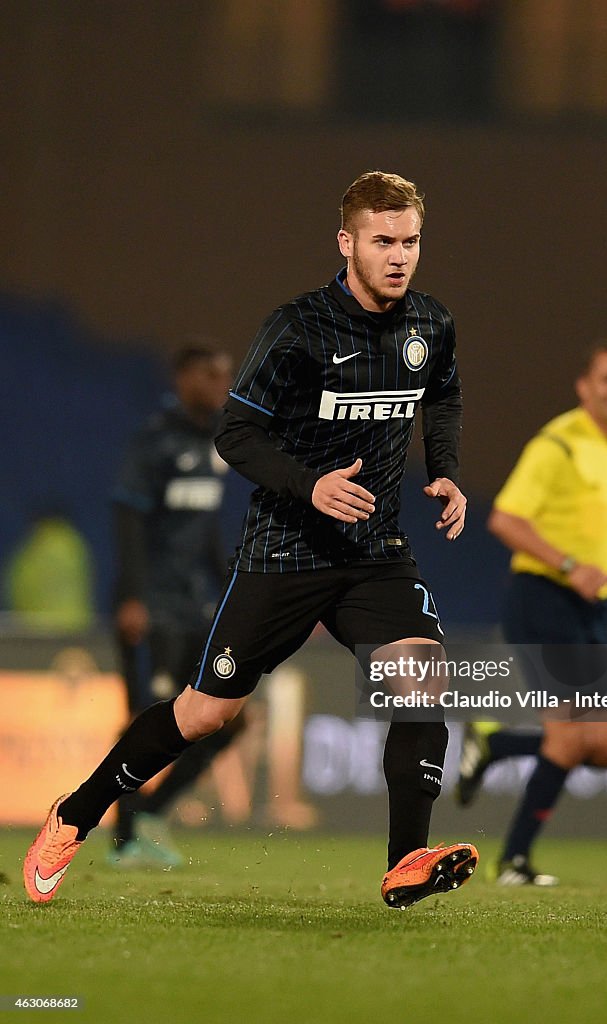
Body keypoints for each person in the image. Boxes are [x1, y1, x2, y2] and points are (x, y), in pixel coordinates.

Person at [24, 170, 478, 909]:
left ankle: (405, 863)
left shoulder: (430, 324)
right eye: (383, 241)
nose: (399, 256)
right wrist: (311, 485)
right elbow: (235, 434)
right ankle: (75, 813)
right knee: (206, 713)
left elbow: (445, 396)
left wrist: (449, 473)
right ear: (346, 242)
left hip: (373, 554)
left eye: (411, 241)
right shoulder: (297, 328)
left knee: (422, 683)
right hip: (284, 553)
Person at [456, 340, 607, 886]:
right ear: (584, 386)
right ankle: (513, 861)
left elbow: (591, 524)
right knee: (570, 735)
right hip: (542, 599)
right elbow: (505, 519)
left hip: (591, 605)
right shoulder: (558, 444)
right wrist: (569, 564)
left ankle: (495, 743)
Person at [108, 343, 246, 867]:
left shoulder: (216, 444)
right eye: (211, 375)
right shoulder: (155, 441)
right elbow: (129, 520)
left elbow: (206, 527)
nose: (220, 385)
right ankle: (125, 839)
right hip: (152, 606)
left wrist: (234, 592)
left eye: (225, 375)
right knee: (144, 719)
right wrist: (132, 597)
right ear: (184, 377)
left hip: (196, 607)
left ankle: (148, 813)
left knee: (232, 717)